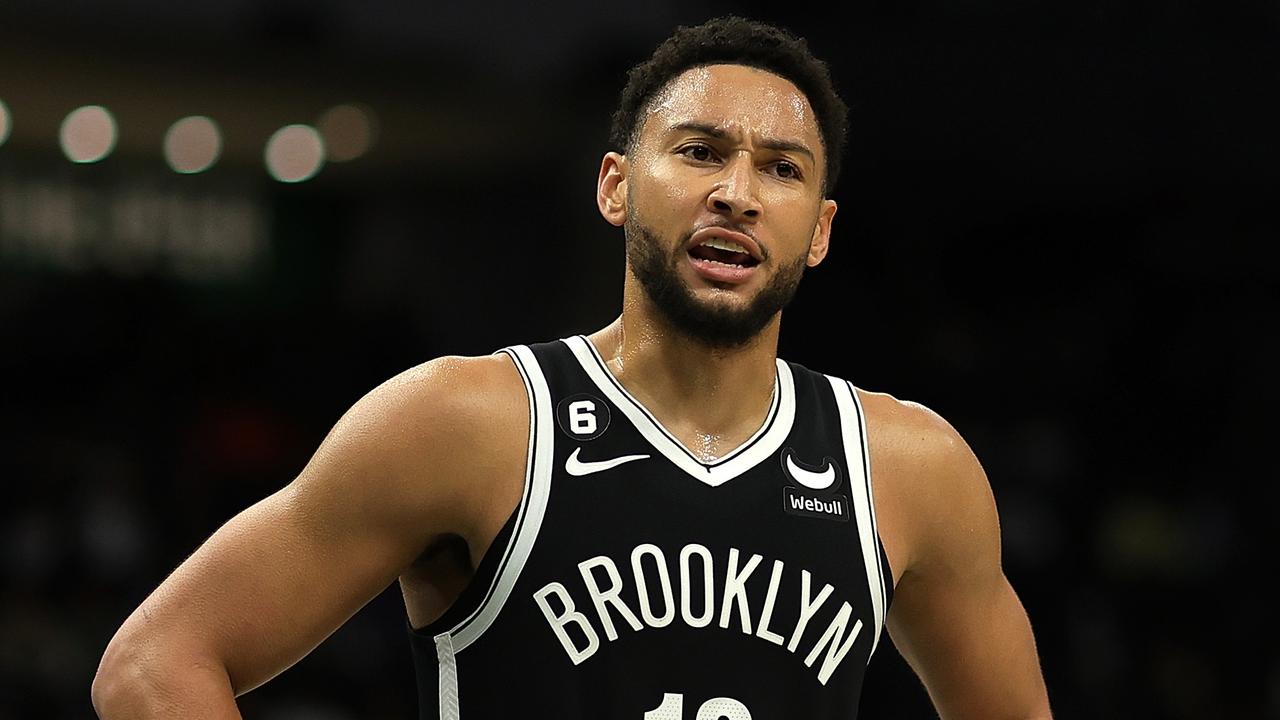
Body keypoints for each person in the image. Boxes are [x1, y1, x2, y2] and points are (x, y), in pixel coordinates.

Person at [92, 15, 1053, 720]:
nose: (738, 193)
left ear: (820, 234)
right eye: (700, 151)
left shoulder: (911, 470)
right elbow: (155, 665)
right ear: (616, 187)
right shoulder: (467, 424)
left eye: (783, 169)